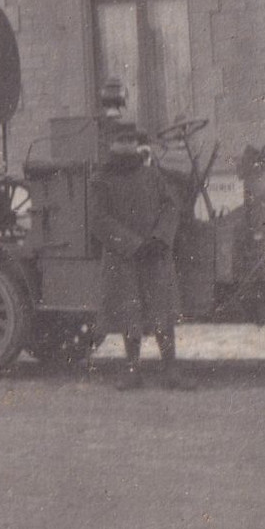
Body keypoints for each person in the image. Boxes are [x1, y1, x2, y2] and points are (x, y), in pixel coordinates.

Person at [89, 124, 194, 390]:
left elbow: (171, 206)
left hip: (156, 254)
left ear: (137, 144)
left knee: (164, 312)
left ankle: (171, 371)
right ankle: (132, 371)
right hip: (124, 258)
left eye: (130, 139)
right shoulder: (101, 180)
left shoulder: (152, 175)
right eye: (120, 139)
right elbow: (99, 220)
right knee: (129, 312)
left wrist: (160, 239)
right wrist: (134, 245)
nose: (125, 144)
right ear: (110, 144)